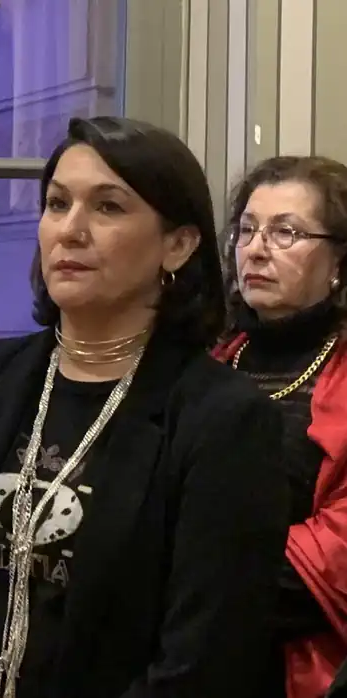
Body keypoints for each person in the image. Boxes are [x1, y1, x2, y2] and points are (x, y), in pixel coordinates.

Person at [0, 116, 289, 698]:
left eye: (108, 207)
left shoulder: (224, 419)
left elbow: (205, 659)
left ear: (177, 244)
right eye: (57, 204)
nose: (70, 230)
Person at [212, 155, 347, 698]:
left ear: (339, 261)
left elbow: (334, 553)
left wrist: (195, 569)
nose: (257, 249)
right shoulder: (208, 363)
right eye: (246, 230)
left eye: (285, 232)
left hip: (304, 661)